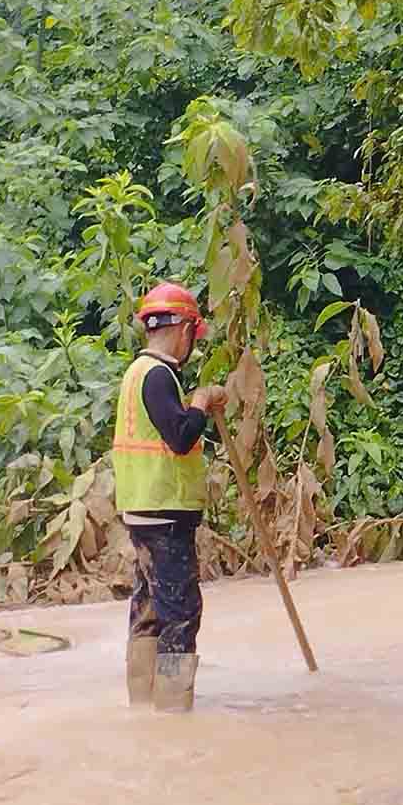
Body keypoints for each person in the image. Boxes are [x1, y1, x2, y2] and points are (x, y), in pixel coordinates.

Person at [113, 283, 227, 712]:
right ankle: (174, 712)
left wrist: (195, 405)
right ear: (184, 330)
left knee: (149, 608)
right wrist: (199, 402)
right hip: (164, 513)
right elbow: (179, 437)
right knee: (179, 612)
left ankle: (143, 708)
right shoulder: (158, 376)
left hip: (143, 510)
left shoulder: (137, 374)